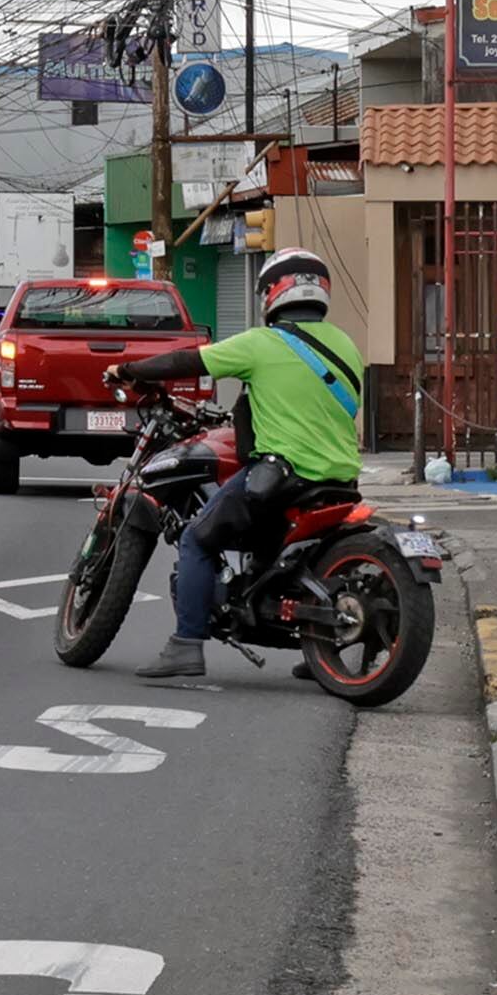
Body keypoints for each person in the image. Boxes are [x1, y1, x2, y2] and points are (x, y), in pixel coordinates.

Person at [106, 248, 368, 682]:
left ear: (272, 292)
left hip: (283, 475)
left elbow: (188, 361)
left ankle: (185, 644)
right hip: (341, 479)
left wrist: (129, 369)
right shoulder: (345, 345)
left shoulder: (262, 343)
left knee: (196, 539)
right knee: (295, 557)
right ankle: (317, 642)